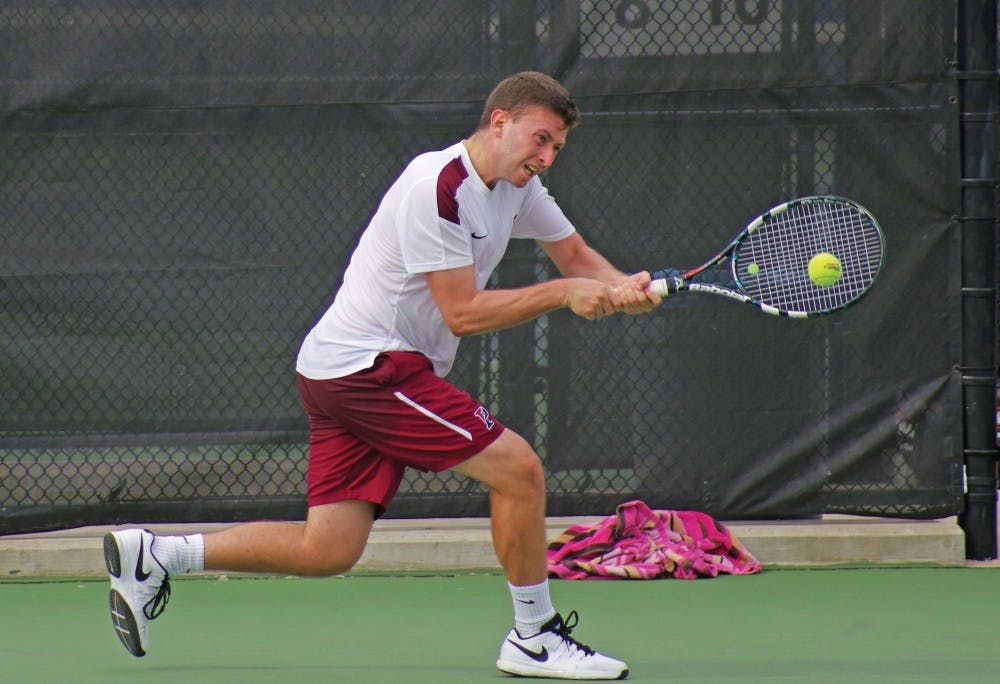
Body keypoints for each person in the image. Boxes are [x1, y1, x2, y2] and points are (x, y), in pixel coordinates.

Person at [104, 71, 660, 680]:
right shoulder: (439, 187)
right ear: (500, 121)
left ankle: (157, 555)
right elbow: (463, 312)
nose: (547, 157)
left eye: (557, 147)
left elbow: (576, 255)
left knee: (329, 549)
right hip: (369, 368)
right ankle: (533, 636)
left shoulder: (518, 188)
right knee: (518, 469)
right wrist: (565, 293)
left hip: (338, 369)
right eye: (541, 139)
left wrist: (618, 287)